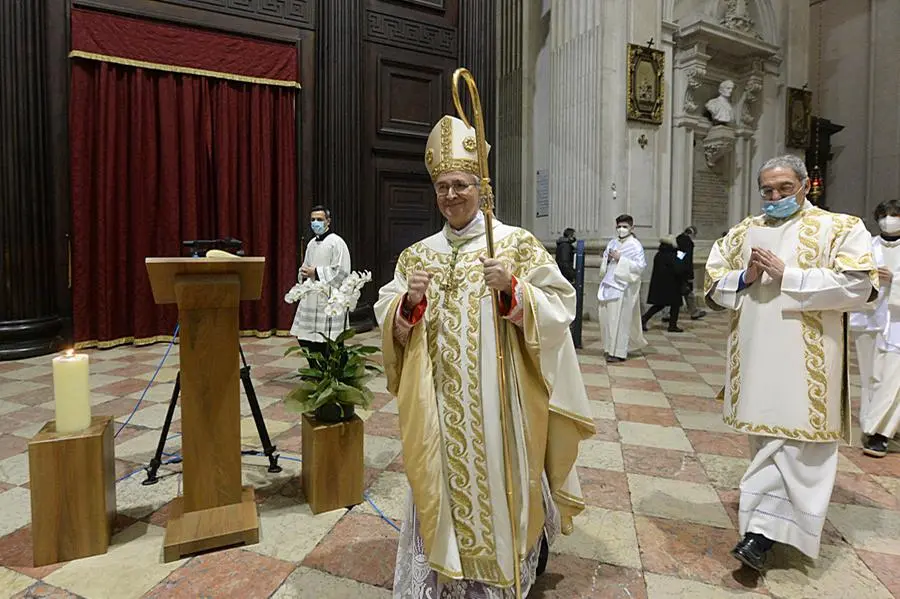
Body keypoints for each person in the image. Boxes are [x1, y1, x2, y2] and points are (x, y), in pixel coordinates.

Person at [375, 114, 595, 597]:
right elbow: (388, 314)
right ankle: (445, 576)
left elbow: (561, 306)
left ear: (481, 187)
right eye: (442, 188)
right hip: (437, 402)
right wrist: (407, 304)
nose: (451, 196)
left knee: (504, 482)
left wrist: (514, 291)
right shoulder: (417, 254)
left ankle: (506, 571)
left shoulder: (514, 244)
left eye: (460, 185)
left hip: (500, 403)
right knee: (437, 482)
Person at [704, 154, 877, 571]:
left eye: (784, 188)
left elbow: (861, 286)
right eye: (767, 190)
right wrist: (744, 278)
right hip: (757, 355)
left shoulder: (841, 227)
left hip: (808, 361)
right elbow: (712, 284)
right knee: (766, 443)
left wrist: (792, 275)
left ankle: (760, 536)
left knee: (799, 449)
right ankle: (764, 531)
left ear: (804, 185)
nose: (775, 196)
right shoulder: (745, 231)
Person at [861, 200, 900, 457]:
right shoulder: (868, 245)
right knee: (871, 376)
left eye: (895, 215)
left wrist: (894, 280)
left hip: (897, 320)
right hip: (869, 317)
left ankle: (880, 432)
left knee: (893, 376)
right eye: (885, 215)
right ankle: (869, 421)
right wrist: (871, 276)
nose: (889, 219)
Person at [289, 205, 351, 364]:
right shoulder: (311, 244)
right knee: (305, 336)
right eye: (313, 220)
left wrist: (315, 272)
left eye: (319, 219)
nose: (315, 223)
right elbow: (306, 265)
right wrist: (303, 272)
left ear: (328, 221)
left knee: (330, 340)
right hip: (311, 296)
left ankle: (333, 372)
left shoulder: (337, 242)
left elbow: (342, 271)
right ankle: (314, 369)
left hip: (329, 297)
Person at [597, 215, 647, 362]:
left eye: (625, 226)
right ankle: (608, 348)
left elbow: (640, 266)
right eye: (619, 226)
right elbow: (605, 261)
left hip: (622, 287)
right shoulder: (612, 242)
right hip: (608, 284)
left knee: (619, 321)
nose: (621, 229)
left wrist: (621, 259)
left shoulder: (635, 245)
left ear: (632, 228)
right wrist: (607, 258)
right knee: (607, 319)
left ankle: (618, 352)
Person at [642, 236, 691, 333]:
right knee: (675, 305)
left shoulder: (659, 254)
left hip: (661, 284)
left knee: (659, 305)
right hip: (672, 284)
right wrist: (681, 259)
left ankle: (644, 319)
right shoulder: (672, 255)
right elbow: (679, 269)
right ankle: (672, 325)